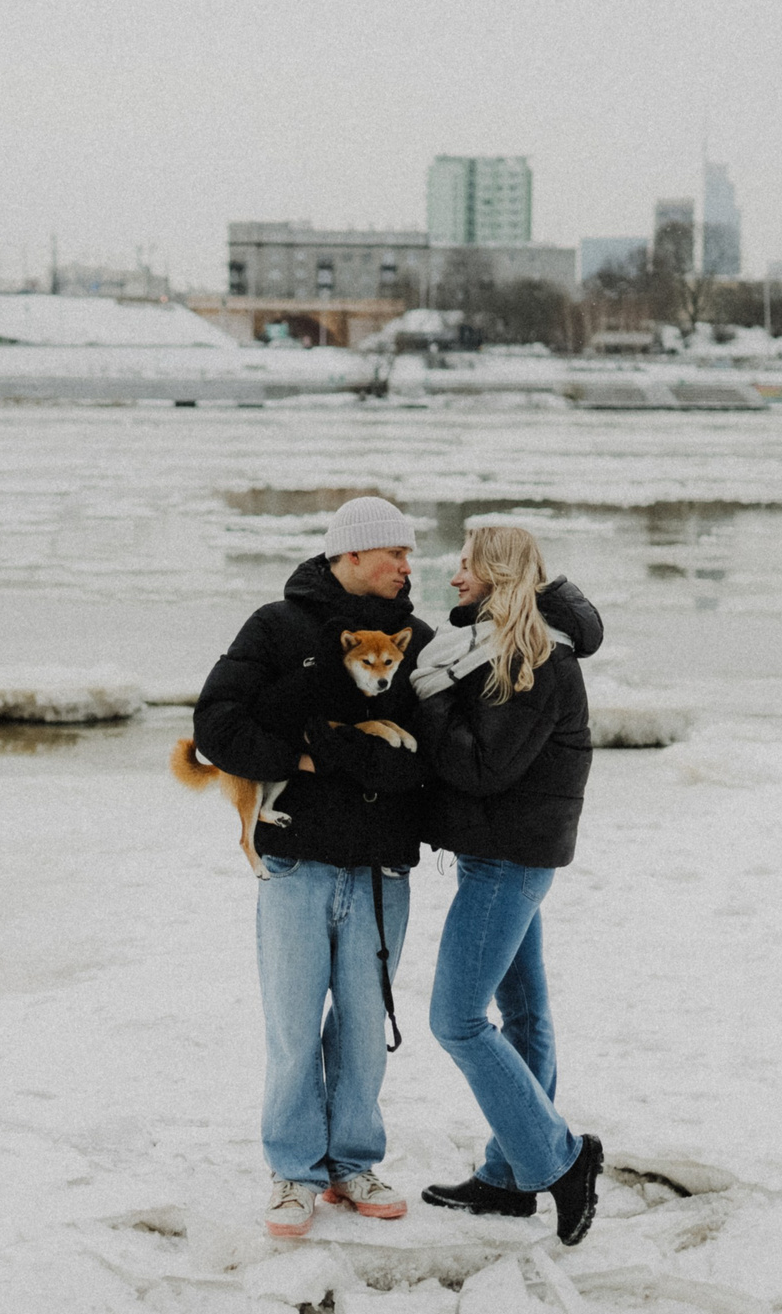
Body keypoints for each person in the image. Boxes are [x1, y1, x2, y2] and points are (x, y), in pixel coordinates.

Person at [193, 496, 431, 1239]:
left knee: (364, 1030)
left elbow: (424, 755)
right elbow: (217, 726)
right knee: (294, 1027)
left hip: (381, 871)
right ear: (352, 554)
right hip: (296, 864)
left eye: (409, 554)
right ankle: (294, 1171)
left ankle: (353, 1163)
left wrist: (331, 749)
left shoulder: (419, 639)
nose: (408, 566)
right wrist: (302, 759)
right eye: (395, 552)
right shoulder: (276, 626)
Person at [410, 523, 608, 1245]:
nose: (453, 575)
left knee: (456, 1019)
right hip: (503, 850)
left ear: (496, 572)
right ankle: (508, 1177)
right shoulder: (495, 645)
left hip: (508, 858)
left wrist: (432, 697)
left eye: (466, 564)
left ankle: (560, 1157)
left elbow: (482, 767)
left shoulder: (534, 656)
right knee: (522, 1014)